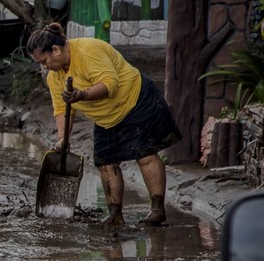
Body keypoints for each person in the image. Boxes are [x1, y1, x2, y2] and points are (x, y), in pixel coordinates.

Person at [27, 23, 181, 226]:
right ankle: (115, 215)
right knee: (106, 164)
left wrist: (82, 94)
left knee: (145, 155)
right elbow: (63, 109)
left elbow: (109, 84)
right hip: (105, 116)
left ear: (55, 50)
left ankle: (157, 210)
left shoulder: (88, 51)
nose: (44, 67)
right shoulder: (54, 77)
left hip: (135, 101)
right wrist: (63, 139)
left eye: (44, 61)